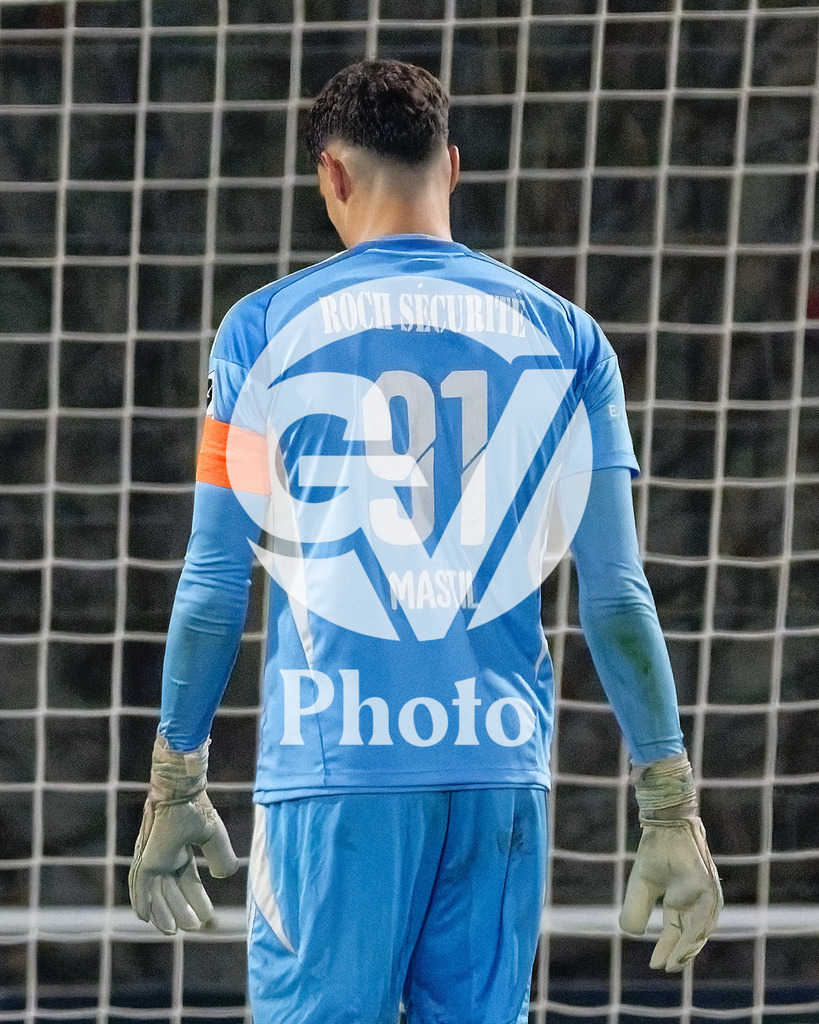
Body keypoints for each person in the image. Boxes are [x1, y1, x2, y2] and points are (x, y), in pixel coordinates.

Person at [129, 60, 722, 1024]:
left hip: (336, 766)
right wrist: (667, 804)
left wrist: (176, 777)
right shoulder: (567, 338)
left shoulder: (261, 330)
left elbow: (210, 582)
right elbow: (615, 596)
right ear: (451, 168)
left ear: (330, 176)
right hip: (495, 775)